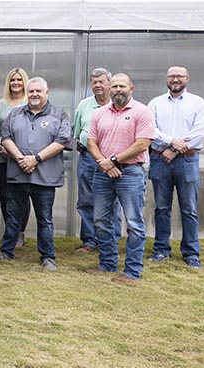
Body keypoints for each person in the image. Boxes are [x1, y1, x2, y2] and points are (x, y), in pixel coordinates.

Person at [0, 77, 71, 271]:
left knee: (45, 219)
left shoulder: (59, 114)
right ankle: (6, 252)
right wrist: (20, 159)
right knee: (13, 216)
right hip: (17, 175)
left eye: (38, 91)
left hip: (45, 177)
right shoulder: (15, 113)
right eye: (32, 91)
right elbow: (6, 137)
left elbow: (63, 140)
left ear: (47, 92)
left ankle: (48, 256)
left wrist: (36, 159)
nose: (34, 94)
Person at [86, 73, 156, 283]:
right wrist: (105, 164)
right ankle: (107, 264)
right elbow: (91, 143)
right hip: (103, 173)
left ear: (131, 88)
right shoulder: (99, 113)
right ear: (109, 89)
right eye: (114, 85)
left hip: (131, 173)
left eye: (122, 86)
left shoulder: (142, 112)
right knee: (100, 220)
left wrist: (113, 160)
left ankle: (132, 271)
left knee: (134, 222)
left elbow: (142, 144)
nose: (118, 89)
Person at [147, 65, 204, 269]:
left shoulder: (198, 103)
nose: (175, 79)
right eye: (171, 76)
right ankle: (161, 249)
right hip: (160, 160)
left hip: (187, 160)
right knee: (162, 207)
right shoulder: (155, 103)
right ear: (167, 78)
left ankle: (191, 253)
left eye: (179, 76)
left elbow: (199, 133)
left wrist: (175, 150)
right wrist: (172, 141)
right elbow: (150, 129)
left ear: (187, 78)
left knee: (188, 208)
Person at [73, 68, 121, 253]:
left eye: (102, 81)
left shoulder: (119, 104)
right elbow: (77, 133)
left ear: (109, 84)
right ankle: (90, 241)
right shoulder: (84, 106)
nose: (98, 85)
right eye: (94, 82)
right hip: (88, 159)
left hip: (113, 160)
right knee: (86, 200)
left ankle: (111, 240)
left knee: (113, 201)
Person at [0, 67, 30, 246]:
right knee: (6, 196)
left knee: (22, 196)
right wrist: (2, 144)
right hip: (3, 158)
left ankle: (20, 233)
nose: (16, 83)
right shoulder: (1, 104)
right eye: (12, 80)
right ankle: (10, 232)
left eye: (19, 80)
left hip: (24, 158)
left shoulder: (30, 102)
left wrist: (18, 152)